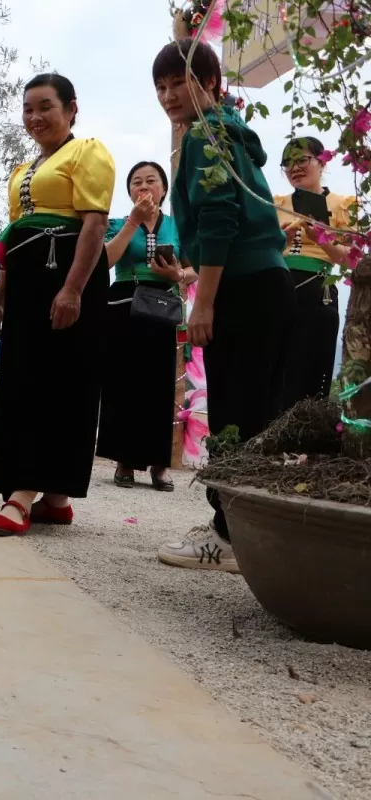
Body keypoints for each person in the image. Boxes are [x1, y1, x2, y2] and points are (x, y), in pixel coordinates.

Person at [152, 40, 294, 572]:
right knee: (258, 412)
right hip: (268, 284)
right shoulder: (229, 129)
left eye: (178, 82)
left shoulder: (204, 137)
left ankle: (228, 536)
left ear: (211, 82)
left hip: (244, 288)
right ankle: (249, 534)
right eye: (160, 87)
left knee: (236, 414)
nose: (168, 95)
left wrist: (203, 302)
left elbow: (219, 222)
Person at [0, 74, 115, 536]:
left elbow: (94, 224)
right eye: (27, 109)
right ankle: (55, 497)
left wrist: (74, 289)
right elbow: (13, 237)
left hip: (68, 276)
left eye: (45, 107)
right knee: (24, 379)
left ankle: (21, 494)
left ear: (71, 108)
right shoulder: (24, 170)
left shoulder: (88, 152)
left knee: (59, 381)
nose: (34, 118)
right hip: (27, 281)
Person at [97, 161, 196, 491]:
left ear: (163, 189)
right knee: (123, 381)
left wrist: (178, 275)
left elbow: (195, 265)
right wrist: (133, 221)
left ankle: (159, 464)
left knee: (158, 384)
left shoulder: (176, 226)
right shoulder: (116, 223)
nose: (144, 186)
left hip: (161, 306)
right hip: (124, 301)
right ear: (129, 191)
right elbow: (106, 260)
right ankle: (124, 460)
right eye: (136, 182)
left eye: (151, 181)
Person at [274, 136, 356, 405]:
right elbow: (260, 249)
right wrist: (279, 242)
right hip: (278, 284)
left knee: (312, 361)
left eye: (302, 160)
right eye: (288, 163)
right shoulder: (276, 204)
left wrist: (320, 237)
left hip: (318, 286)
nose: (294, 168)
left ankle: (307, 434)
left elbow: (352, 260)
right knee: (277, 365)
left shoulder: (343, 204)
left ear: (322, 162)